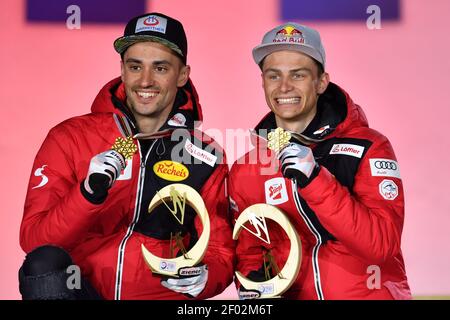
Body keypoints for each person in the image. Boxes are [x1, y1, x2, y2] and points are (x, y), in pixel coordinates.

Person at [19, 12, 235, 300]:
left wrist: (207, 279)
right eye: (135, 67)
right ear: (122, 70)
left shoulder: (205, 156)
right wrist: (87, 194)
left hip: (161, 297)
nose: (145, 81)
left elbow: (220, 250)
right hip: (85, 294)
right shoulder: (69, 137)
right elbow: (35, 241)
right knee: (44, 264)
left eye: (160, 68)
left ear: (182, 75)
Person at [229, 22, 411, 299]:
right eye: (273, 75)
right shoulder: (247, 169)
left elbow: (380, 246)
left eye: (298, 75)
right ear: (263, 82)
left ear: (321, 82)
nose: (284, 86)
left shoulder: (369, 147)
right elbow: (252, 251)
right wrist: (254, 285)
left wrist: (315, 179)